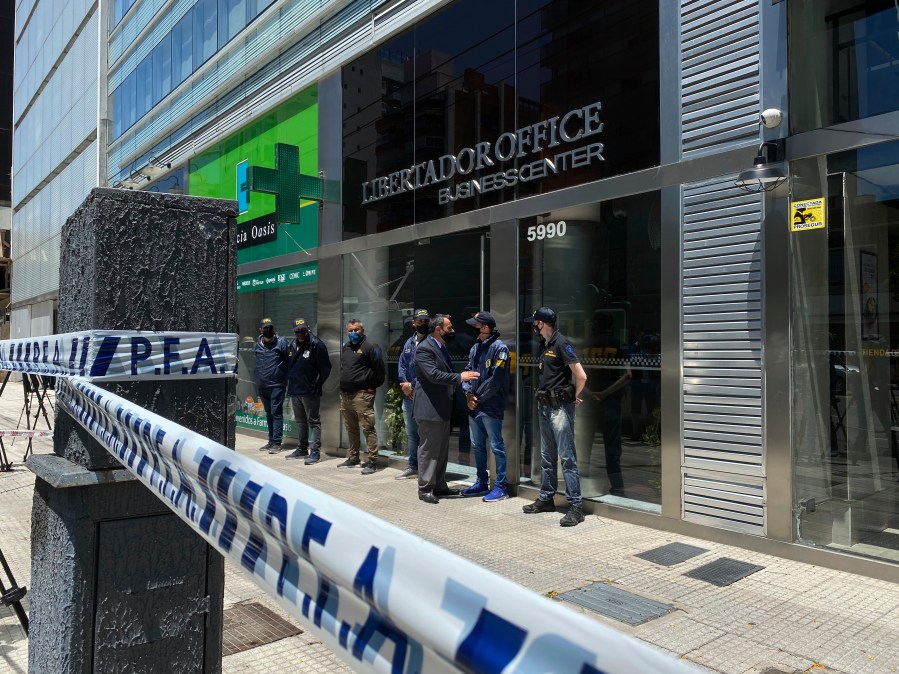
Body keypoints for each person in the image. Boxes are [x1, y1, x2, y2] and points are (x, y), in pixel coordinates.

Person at [522, 307, 589, 527]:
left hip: (559, 408)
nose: (533, 326)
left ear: (542, 324)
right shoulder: (546, 344)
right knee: (546, 456)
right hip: (545, 407)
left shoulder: (561, 343)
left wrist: (573, 397)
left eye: (535, 322)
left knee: (567, 458)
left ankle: (576, 507)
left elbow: (581, 375)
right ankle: (546, 499)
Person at [413, 315, 480, 504]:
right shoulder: (425, 348)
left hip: (441, 407)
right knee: (429, 449)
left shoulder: (440, 347)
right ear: (437, 329)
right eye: (449, 328)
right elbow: (433, 375)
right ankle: (425, 488)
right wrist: (460, 377)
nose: (452, 331)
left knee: (441, 449)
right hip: (429, 408)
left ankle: (439, 485)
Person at [461, 311, 511, 502]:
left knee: (496, 446)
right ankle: (481, 482)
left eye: (476, 325)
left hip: (490, 406)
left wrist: (477, 398)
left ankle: (501, 486)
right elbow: (467, 371)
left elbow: (496, 380)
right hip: (474, 405)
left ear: (485, 327)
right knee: (477, 445)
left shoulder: (501, 349)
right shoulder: (475, 348)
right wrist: (468, 394)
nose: (473, 328)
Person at [338, 319, 386, 474]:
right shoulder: (346, 347)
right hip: (346, 395)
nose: (353, 333)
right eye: (350, 330)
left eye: (356, 330)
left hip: (363, 394)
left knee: (367, 427)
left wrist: (370, 388)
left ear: (362, 330)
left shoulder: (371, 347)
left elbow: (379, 370)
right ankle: (353, 458)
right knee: (351, 428)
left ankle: (372, 461)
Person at [284, 317, 332, 464]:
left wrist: (316, 385)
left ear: (308, 328)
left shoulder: (317, 345)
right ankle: (302, 448)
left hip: (310, 391)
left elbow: (326, 368)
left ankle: (315, 452)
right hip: (295, 390)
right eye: (297, 330)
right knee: (300, 421)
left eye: (303, 330)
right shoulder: (292, 345)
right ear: (294, 331)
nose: (300, 333)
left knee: (314, 422)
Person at [395, 308, 431, 480]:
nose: (423, 324)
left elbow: (429, 370)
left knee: (425, 433)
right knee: (411, 433)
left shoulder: (432, 342)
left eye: (425, 321)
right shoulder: (409, 342)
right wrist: (405, 385)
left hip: (424, 396)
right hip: (408, 396)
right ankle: (413, 466)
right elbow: (402, 364)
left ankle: (426, 468)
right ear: (414, 323)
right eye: (420, 321)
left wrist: (413, 385)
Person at [255, 317, 289, 451]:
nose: (268, 330)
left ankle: (276, 443)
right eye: (265, 328)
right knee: (268, 413)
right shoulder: (257, 344)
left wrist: (285, 378)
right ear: (261, 330)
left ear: (274, 329)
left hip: (277, 384)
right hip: (263, 385)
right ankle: (270, 441)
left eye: (270, 327)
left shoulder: (281, 343)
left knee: (276, 412)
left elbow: (288, 361)